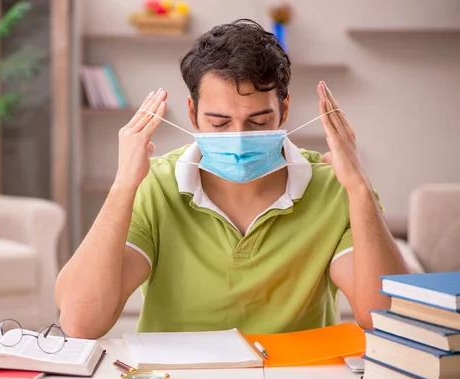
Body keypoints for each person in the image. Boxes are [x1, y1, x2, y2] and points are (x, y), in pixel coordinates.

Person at [55, 19, 408, 339]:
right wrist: (123, 186)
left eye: (257, 122)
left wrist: (359, 187)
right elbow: (81, 322)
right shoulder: (156, 185)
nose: (238, 137)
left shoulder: (336, 188)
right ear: (193, 114)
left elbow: (384, 317)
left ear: (284, 110)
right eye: (220, 123)